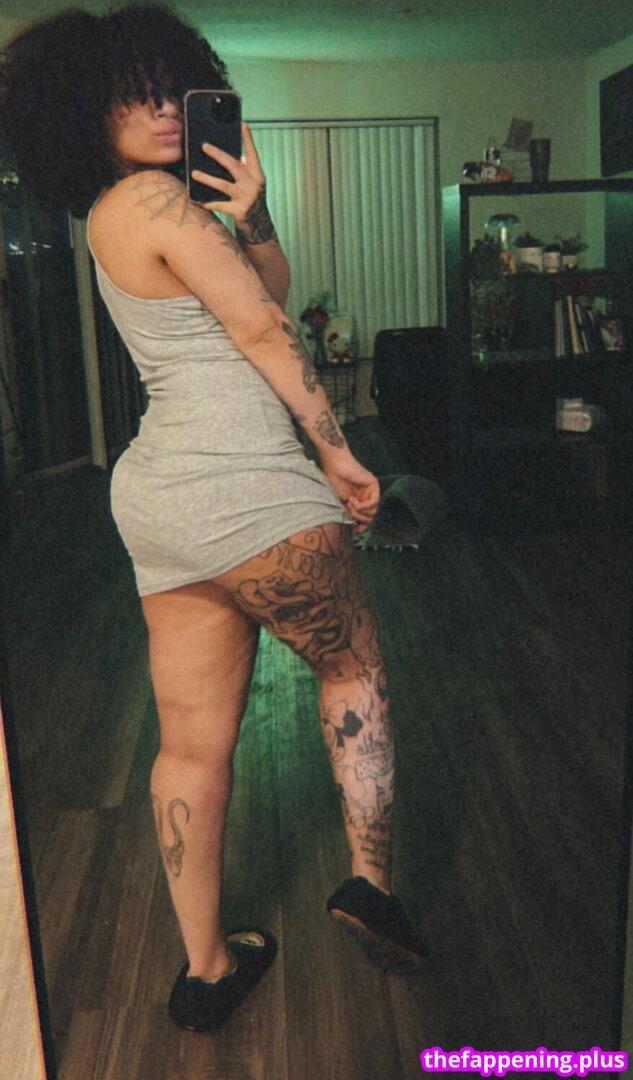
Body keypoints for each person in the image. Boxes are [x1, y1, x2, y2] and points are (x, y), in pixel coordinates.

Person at [0, 2, 428, 1033]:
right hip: (249, 488)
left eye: (168, 87)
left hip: (162, 501)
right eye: (129, 95)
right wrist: (338, 451)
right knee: (353, 669)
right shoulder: (155, 199)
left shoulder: (117, 216)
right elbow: (266, 330)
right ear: (81, 114)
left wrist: (257, 215)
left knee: (192, 742)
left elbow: (260, 287)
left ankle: (205, 971)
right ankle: (370, 886)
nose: (159, 108)